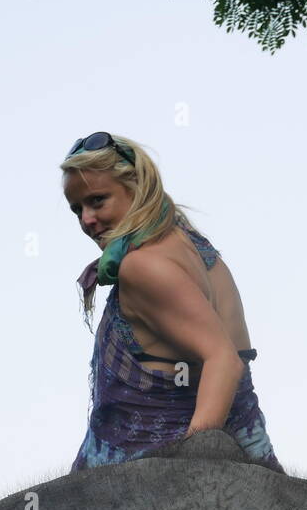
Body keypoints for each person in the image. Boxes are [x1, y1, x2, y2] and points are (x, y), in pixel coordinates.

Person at [60, 131, 283, 473]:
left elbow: (223, 359)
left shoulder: (141, 266)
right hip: (254, 455)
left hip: (138, 478)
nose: (86, 220)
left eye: (98, 200)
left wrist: (189, 471)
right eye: (77, 210)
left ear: (136, 188)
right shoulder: (197, 248)